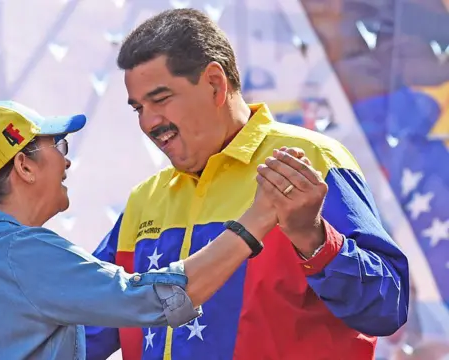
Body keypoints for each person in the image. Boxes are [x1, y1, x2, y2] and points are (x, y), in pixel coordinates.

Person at [0, 100, 302, 359]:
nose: (66, 160)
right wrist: (257, 218)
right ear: (24, 165)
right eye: (57, 145)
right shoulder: (20, 253)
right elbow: (157, 298)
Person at [85, 8, 410, 360]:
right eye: (138, 108)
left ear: (214, 83)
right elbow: (83, 331)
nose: (149, 123)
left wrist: (314, 239)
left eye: (161, 99)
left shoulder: (310, 158)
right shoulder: (145, 199)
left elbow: (387, 307)